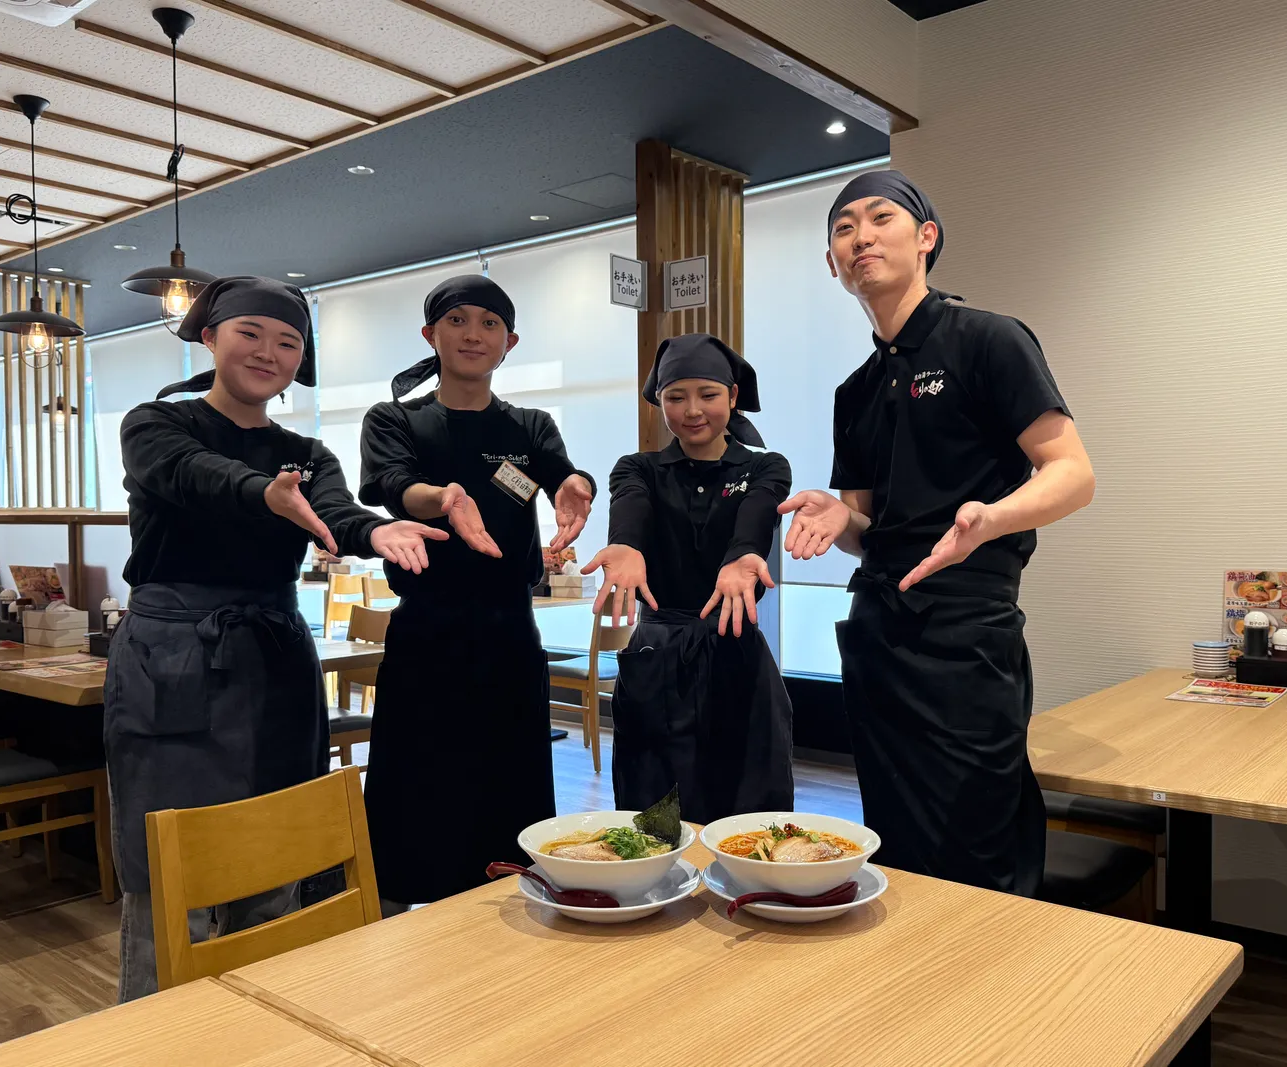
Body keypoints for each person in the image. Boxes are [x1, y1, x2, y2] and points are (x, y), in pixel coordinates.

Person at [106, 276, 446, 1001]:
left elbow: (334, 513)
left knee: (274, 851)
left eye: (287, 340)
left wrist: (375, 531)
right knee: (173, 873)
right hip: (173, 660)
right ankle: (157, 1040)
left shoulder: (307, 451)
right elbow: (192, 474)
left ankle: (266, 1029)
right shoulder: (155, 424)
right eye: (250, 333)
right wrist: (262, 492)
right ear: (210, 338)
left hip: (274, 659)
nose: (269, 351)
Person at [779, 171, 1096, 896]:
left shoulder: (987, 339)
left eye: (879, 216)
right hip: (878, 635)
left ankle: (993, 999)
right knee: (895, 844)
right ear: (833, 263)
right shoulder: (854, 391)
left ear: (926, 238)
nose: (859, 235)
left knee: (977, 839)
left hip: (966, 633)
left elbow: (1072, 473)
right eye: (842, 227)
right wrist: (840, 519)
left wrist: (992, 518)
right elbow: (867, 527)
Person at [360, 275, 596, 907]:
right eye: (458, 320)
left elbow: (560, 473)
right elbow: (391, 484)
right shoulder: (396, 419)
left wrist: (576, 483)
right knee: (421, 772)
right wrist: (441, 498)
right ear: (430, 334)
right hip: (427, 625)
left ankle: (514, 900)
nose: (473, 334)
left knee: (512, 771)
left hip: (509, 628)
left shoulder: (529, 425)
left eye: (489, 324)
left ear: (509, 341)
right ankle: (408, 900)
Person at [585, 334, 794, 823]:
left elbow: (756, 519)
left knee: (747, 805)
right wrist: (627, 546)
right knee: (653, 808)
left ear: (733, 396)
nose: (692, 410)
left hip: (735, 651)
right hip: (655, 656)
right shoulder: (637, 468)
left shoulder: (766, 466)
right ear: (660, 402)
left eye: (708, 394)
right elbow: (630, 508)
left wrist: (742, 557)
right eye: (675, 397)